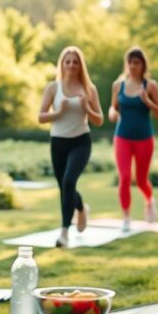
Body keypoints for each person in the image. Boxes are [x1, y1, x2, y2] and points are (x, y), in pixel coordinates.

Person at [38, 46, 104, 247]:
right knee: (65, 186)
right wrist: (58, 112)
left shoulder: (89, 89)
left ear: (80, 65)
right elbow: (41, 117)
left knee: (68, 182)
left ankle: (64, 233)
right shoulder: (53, 87)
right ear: (62, 64)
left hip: (80, 141)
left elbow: (99, 120)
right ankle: (81, 209)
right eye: (68, 61)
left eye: (75, 62)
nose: (71, 65)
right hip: (58, 142)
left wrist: (87, 108)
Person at [107, 46, 158, 231]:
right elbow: (113, 108)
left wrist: (148, 102)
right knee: (125, 177)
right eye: (130, 62)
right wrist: (112, 115)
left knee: (141, 180)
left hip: (144, 139)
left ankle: (149, 200)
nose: (133, 66)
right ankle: (126, 218)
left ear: (143, 65)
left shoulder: (151, 86)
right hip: (122, 137)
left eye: (137, 62)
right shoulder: (118, 85)